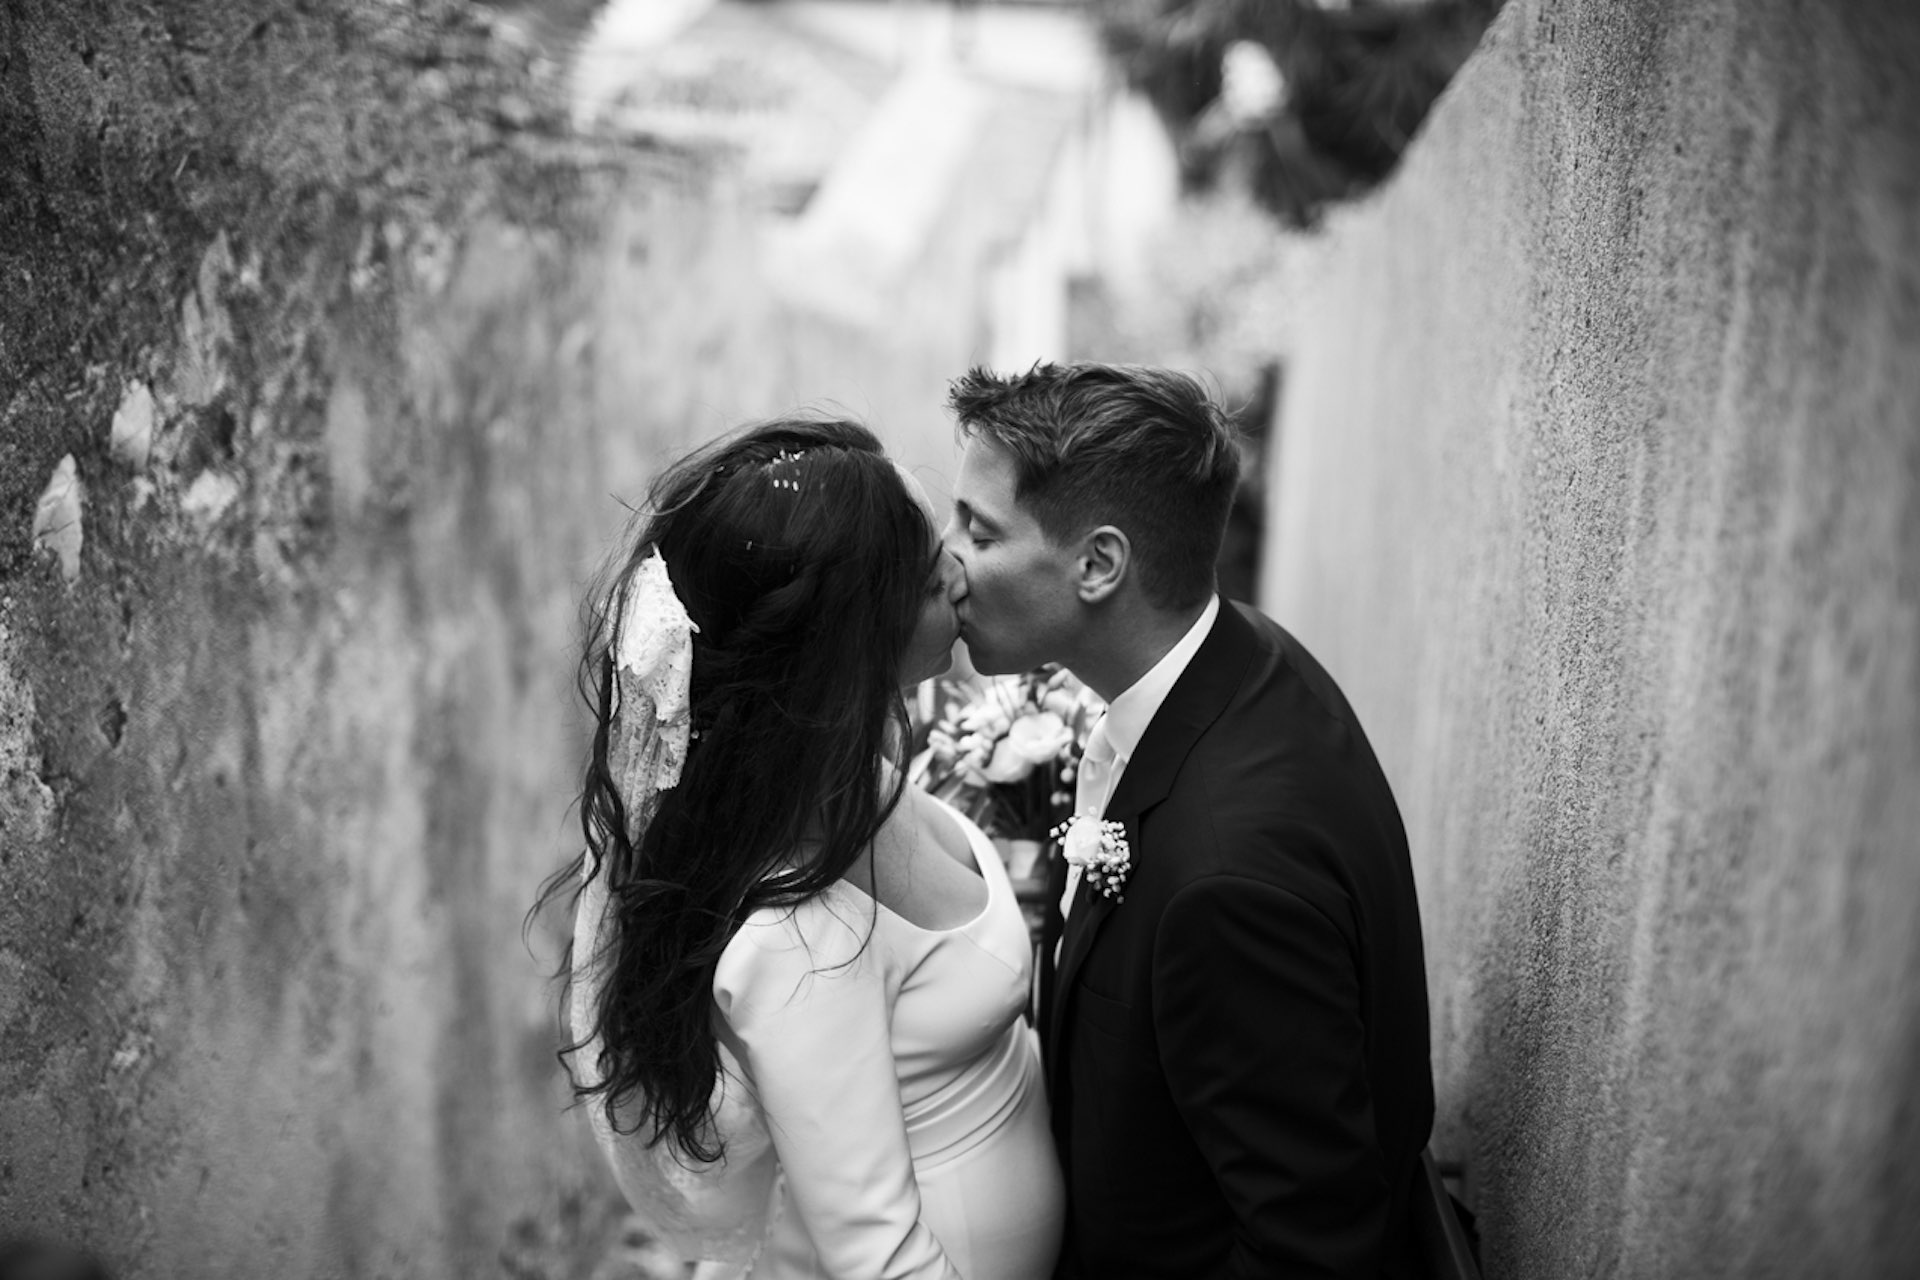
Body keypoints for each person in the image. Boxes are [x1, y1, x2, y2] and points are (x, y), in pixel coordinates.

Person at [539, 418, 1064, 1280]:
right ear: (846, 648)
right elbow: (881, 1261)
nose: (960, 576)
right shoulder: (802, 938)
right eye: (932, 580)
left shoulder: (859, 769)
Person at [942, 363, 1435, 1279]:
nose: (947, 563)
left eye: (978, 530)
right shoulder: (1242, 657)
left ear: (1098, 564)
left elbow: (1311, 1248)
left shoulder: (1227, 882)